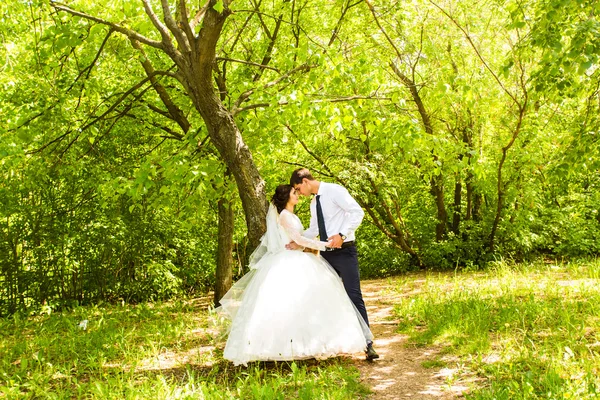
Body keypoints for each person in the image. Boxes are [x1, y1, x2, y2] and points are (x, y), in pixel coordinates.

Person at [217, 185, 373, 366]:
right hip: (288, 261)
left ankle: (309, 344)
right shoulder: (284, 216)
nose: (297, 195)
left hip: (299, 257)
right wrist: (325, 245)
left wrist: (311, 243)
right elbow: (298, 240)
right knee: (290, 304)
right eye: (294, 193)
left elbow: (301, 238)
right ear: (286, 198)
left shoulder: (291, 215)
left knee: (307, 303)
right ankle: (287, 347)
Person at [289, 168, 379, 360]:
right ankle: (331, 343)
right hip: (326, 255)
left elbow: (357, 212)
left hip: (345, 251)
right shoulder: (314, 203)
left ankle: (368, 344)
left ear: (305, 181)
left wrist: (342, 234)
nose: (299, 193)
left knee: (354, 295)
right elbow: (314, 228)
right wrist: (298, 241)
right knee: (327, 297)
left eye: (298, 188)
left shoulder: (334, 190)